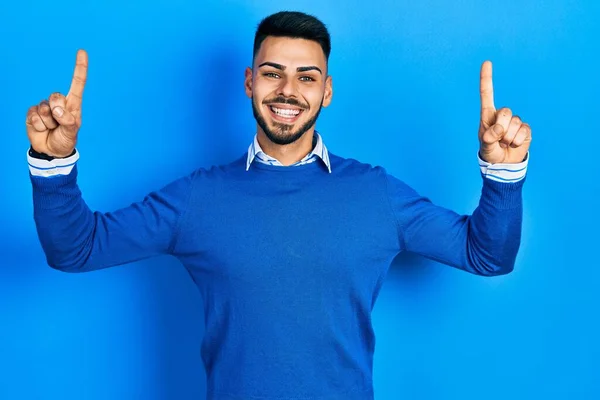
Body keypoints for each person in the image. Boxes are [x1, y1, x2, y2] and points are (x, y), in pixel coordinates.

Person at [25, 10, 531, 400]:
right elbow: (78, 248)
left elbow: (487, 254)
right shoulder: (197, 198)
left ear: (326, 91)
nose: (288, 90)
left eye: (307, 77)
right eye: (273, 73)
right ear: (249, 83)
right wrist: (55, 162)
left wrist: (504, 173)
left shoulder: (376, 194)